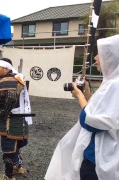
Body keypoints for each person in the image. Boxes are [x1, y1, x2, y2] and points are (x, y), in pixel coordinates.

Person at [45, 35, 119, 180]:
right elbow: (101, 110)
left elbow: (90, 121)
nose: (96, 58)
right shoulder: (111, 82)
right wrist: (86, 94)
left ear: (111, 57)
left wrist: (79, 96)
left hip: (99, 158)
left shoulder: (114, 85)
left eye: (100, 54)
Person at [0, 58, 29, 180]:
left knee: (8, 147)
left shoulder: (7, 80)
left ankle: (9, 176)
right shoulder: (17, 78)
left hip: (10, 119)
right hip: (20, 117)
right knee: (17, 145)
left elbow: (11, 98)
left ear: (6, 68)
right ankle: (18, 167)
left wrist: (3, 113)